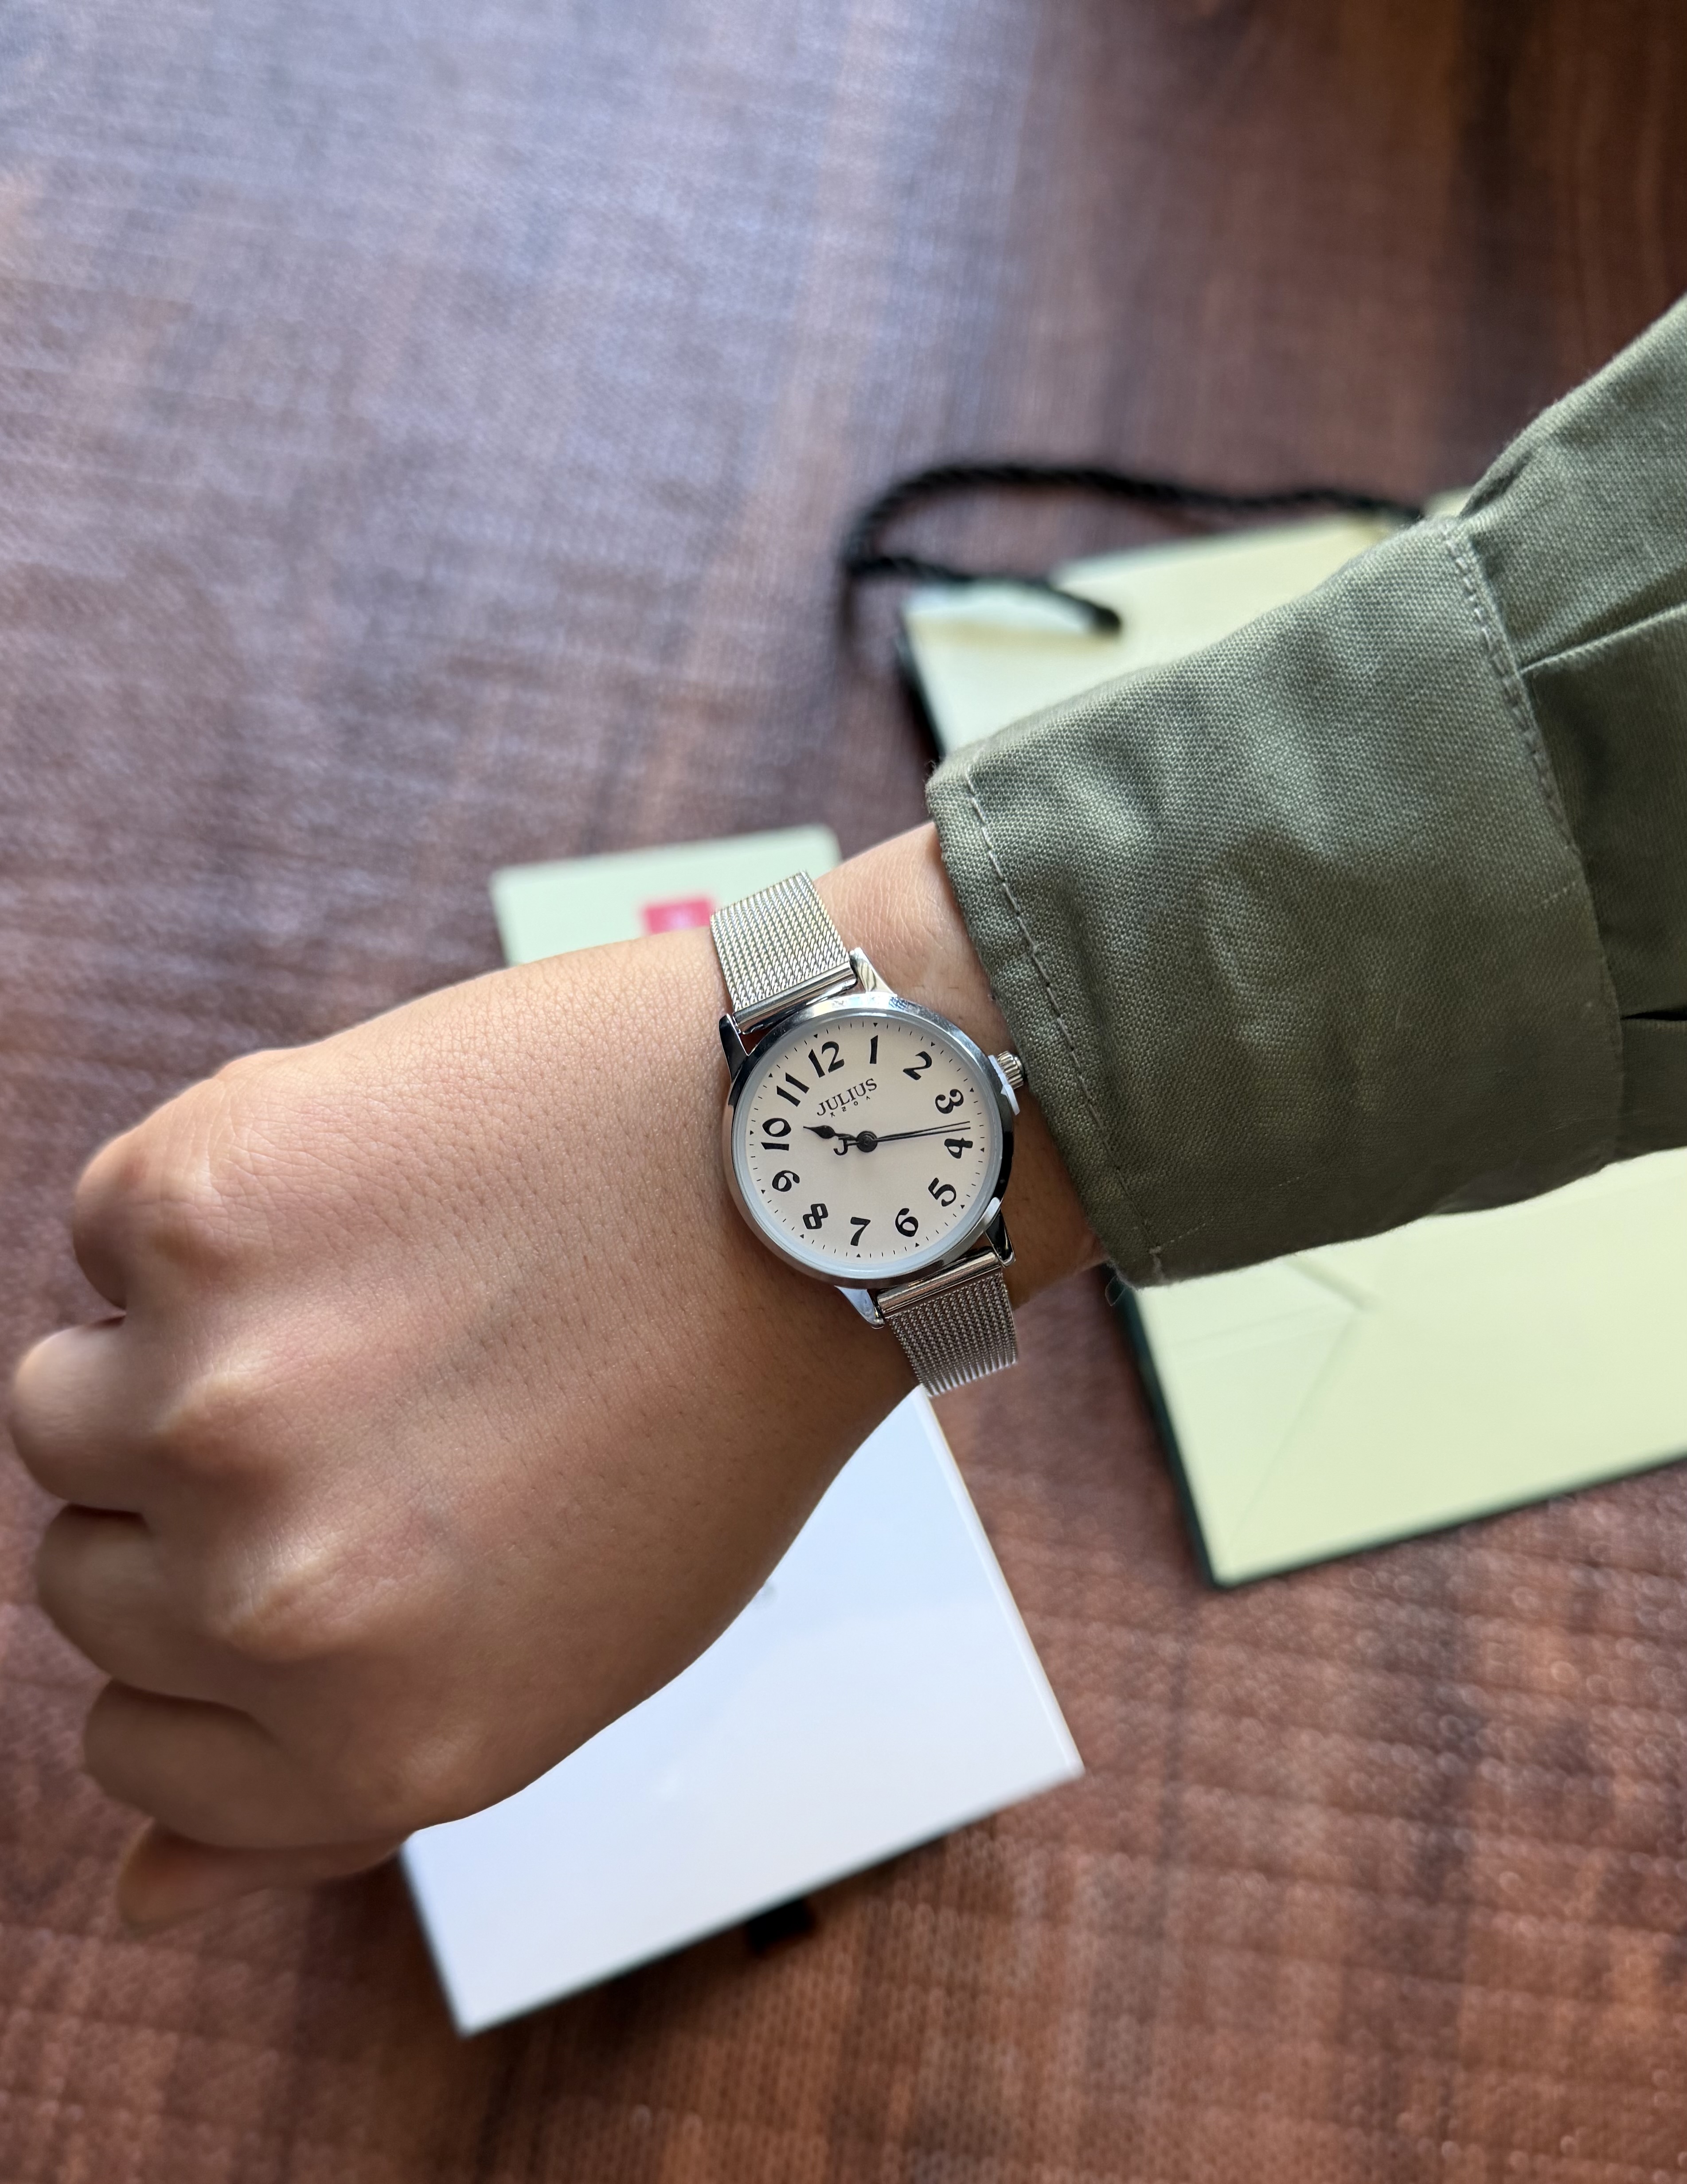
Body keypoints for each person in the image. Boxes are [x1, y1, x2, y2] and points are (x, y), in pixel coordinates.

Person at [9, 301, 1685, 1932]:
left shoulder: (920, 1221)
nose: (870, 1148)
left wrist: (980, 1037)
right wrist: (989, 997)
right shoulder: (845, 1094)